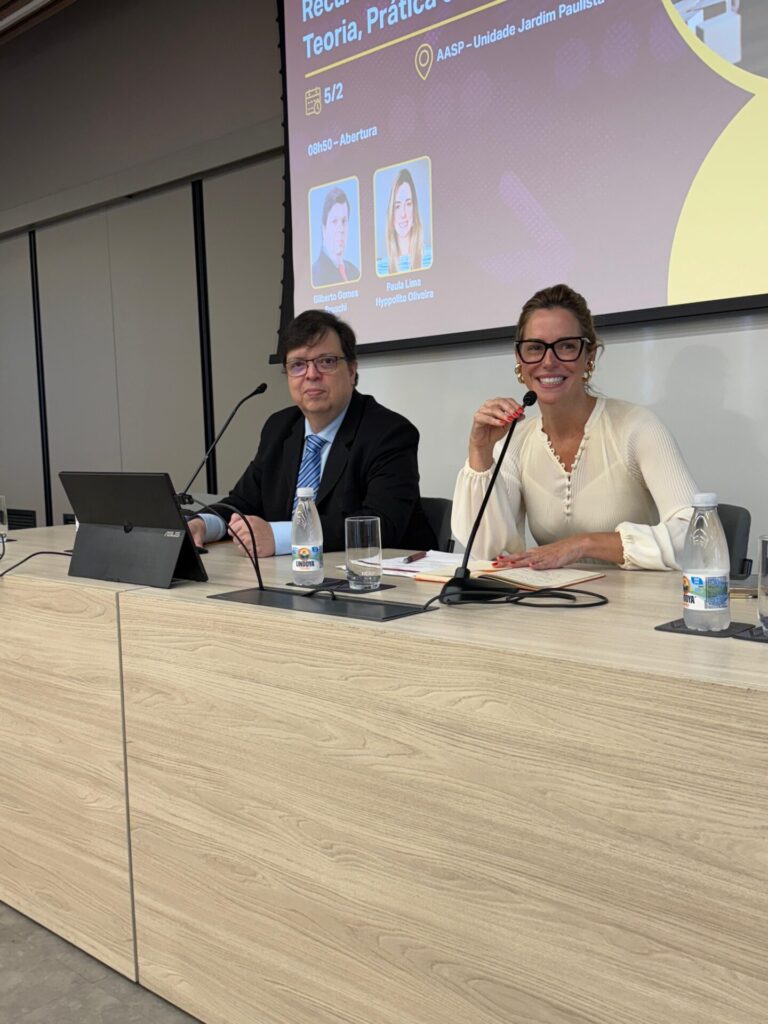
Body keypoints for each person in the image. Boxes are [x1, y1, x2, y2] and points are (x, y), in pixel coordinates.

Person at [452, 284, 698, 570]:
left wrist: (582, 545)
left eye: (566, 346)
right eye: (535, 348)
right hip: (553, 604)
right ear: (520, 359)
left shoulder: (637, 427)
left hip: (636, 607)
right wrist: (480, 451)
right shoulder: (516, 440)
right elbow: (488, 551)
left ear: (589, 356)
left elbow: (696, 536)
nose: (548, 361)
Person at [188, 309, 435, 556]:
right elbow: (242, 502)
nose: (311, 374)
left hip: (379, 581)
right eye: (297, 365)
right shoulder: (280, 428)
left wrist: (282, 537)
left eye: (326, 361)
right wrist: (203, 524)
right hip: (289, 576)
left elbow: (381, 525)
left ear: (351, 370)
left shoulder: (389, 433)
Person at [378, 167, 432, 276]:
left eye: (408, 204)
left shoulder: (431, 257)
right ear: (391, 215)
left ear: (414, 209)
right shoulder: (380, 268)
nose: (403, 214)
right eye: (397, 206)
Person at [311, 187, 360, 286]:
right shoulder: (314, 276)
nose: (341, 229)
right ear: (323, 229)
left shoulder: (355, 272)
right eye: (334, 221)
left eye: (344, 221)